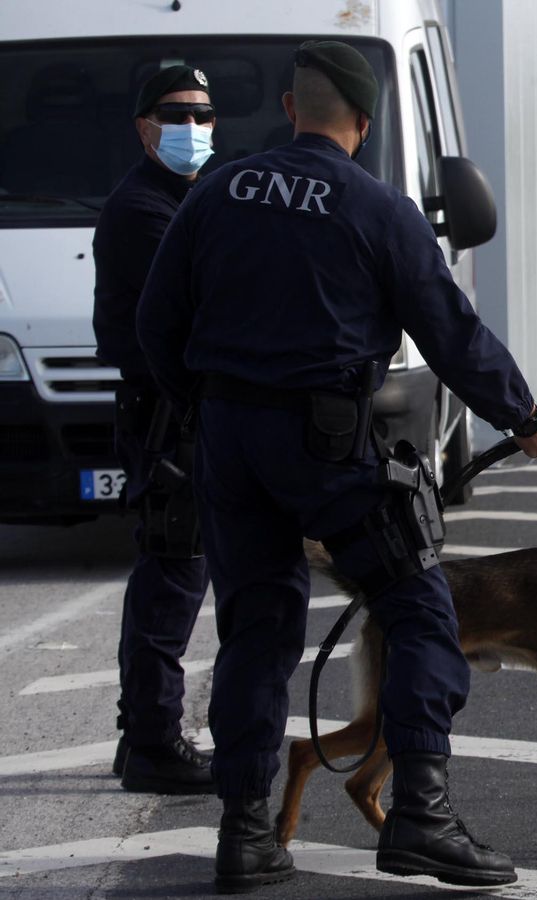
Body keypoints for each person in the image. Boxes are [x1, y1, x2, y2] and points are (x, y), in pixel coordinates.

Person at [136, 41, 537, 893]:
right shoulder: (377, 207)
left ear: (292, 111)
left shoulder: (217, 192)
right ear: (364, 125)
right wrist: (523, 418)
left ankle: (247, 833)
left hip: (227, 438)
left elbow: (157, 322)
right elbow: (452, 333)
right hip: (326, 444)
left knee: (255, 632)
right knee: (418, 610)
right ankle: (422, 817)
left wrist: (209, 408)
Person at [93, 64, 218, 796]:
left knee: (173, 574)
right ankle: (152, 744)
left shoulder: (183, 197)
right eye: (176, 114)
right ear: (144, 127)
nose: (193, 127)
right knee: (172, 578)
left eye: (204, 115)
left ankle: (139, 730)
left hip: (176, 418)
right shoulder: (146, 209)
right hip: (167, 423)